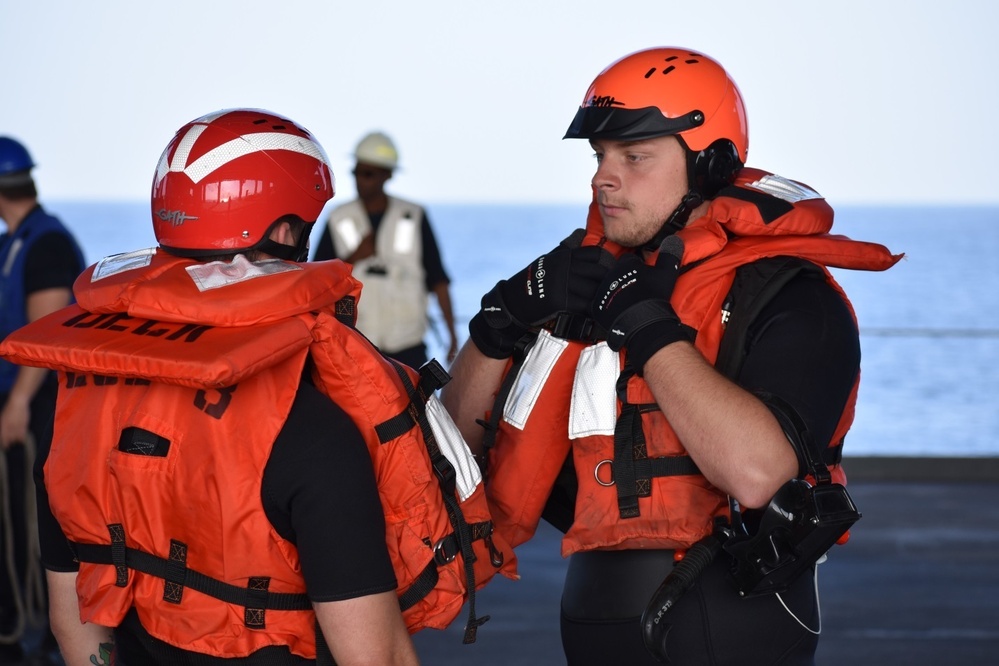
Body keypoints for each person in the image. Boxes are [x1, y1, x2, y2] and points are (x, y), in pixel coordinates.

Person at [441, 47, 901, 665]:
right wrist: (500, 320)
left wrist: (645, 325)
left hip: (732, 615)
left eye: (634, 157)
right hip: (593, 616)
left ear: (708, 164)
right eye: (600, 156)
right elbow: (455, 451)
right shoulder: (584, 284)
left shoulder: (791, 297)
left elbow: (757, 473)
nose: (604, 177)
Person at [2, 110, 421, 665]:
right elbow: (377, 658)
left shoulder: (73, 411)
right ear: (284, 233)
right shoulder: (314, 434)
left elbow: (73, 620)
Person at [0, 136, 84, 664]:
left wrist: (17, 404)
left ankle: (43, 638)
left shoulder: (46, 242)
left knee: (36, 522)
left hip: (39, 409)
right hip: (23, 404)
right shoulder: (20, 239)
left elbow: (45, 333)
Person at [312, 131, 458, 368]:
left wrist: (452, 335)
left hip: (408, 345)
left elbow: (438, 279)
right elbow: (318, 282)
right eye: (356, 172)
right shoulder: (339, 218)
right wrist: (354, 258)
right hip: (356, 343)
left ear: (387, 175)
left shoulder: (414, 215)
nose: (360, 180)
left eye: (368, 173)